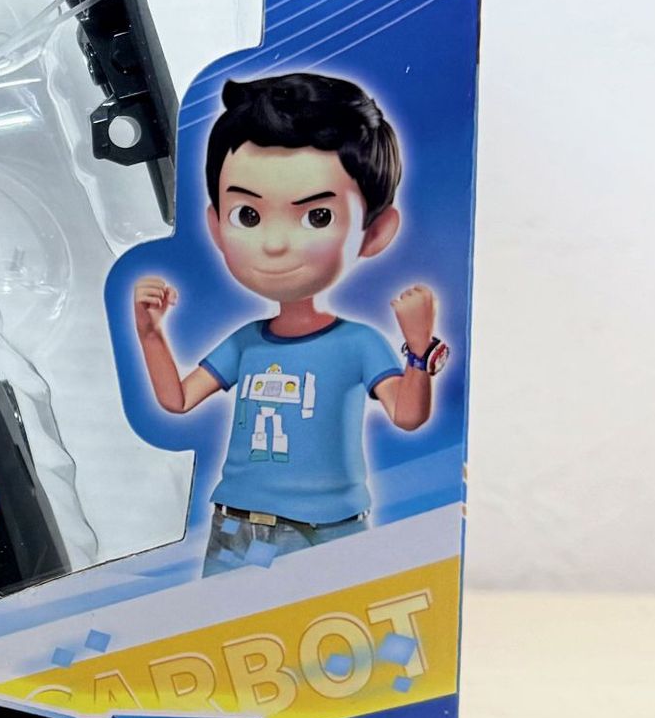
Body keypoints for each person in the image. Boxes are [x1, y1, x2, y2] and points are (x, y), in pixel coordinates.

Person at [131, 73, 448, 574]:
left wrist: (418, 349)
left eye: (317, 217)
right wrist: (150, 334)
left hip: (332, 529)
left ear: (374, 233)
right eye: (248, 216)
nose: (275, 245)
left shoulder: (359, 343)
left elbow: (407, 416)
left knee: (338, 624)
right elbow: (178, 399)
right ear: (217, 225)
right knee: (225, 621)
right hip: (240, 527)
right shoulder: (246, 343)